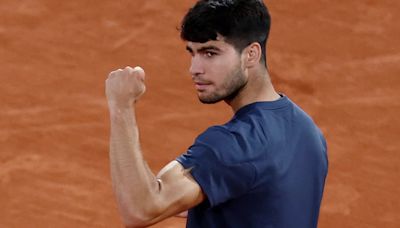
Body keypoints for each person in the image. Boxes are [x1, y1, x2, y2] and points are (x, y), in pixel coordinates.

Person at [105, 0, 328, 227]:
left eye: (210, 53)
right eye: (192, 53)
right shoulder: (308, 131)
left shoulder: (233, 146)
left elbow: (141, 209)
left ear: (251, 54)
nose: (195, 69)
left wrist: (121, 106)